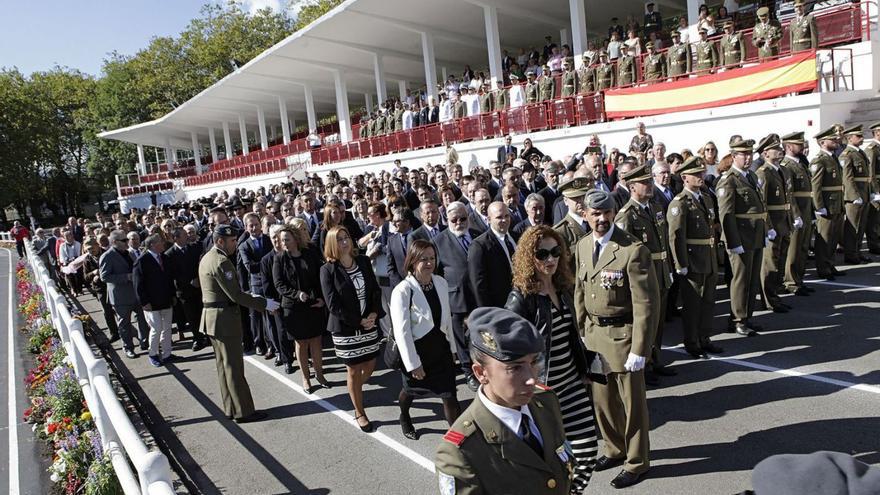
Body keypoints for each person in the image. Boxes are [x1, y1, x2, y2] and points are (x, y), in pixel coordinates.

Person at [434, 307, 575, 495]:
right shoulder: (460, 452)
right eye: (515, 368)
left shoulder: (546, 401)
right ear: (481, 373)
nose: (531, 379)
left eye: (533, 363)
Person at [572, 189, 658, 489]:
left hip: (624, 338)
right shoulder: (582, 246)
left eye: (606, 213)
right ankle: (613, 448)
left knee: (633, 406)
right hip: (595, 338)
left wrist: (640, 348)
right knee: (602, 402)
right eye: (595, 214)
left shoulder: (632, 249)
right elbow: (580, 293)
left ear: (613, 213)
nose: (601, 219)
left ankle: (636, 461)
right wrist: (580, 330)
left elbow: (646, 304)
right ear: (585, 214)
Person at [505, 226, 598, 493]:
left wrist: (584, 368)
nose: (551, 259)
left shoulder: (562, 287)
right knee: (550, 461)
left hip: (571, 385)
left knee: (587, 452)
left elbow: (571, 336)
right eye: (542, 253)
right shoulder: (521, 297)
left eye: (555, 252)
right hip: (542, 393)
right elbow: (509, 348)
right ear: (528, 257)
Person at [199, 224, 279, 423]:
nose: (235, 244)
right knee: (233, 367)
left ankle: (231, 407)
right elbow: (235, 295)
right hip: (224, 320)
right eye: (232, 241)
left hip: (213, 319)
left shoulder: (207, 258)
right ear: (220, 241)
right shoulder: (221, 262)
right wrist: (264, 303)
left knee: (224, 367)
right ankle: (243, 411)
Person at [390, 240, 460, 440]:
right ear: (412, 261)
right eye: (424, 259)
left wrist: (453, 349)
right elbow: (402, 332)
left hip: (441, 349)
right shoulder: (402, 291)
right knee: (409, 391)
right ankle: (404, 416)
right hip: (417, 352)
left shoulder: (440, 282)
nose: (429, 263)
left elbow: (447, 319)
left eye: (432, 258)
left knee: (449, 395)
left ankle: (457, 441)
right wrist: (413, 364)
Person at [614, 164, 675, 384]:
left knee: (658, 322)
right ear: (632, 187)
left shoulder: (656, 208)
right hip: (643, 276)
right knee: (646, 322)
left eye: (650, 181)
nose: (649, 185)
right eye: (644, 182)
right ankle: (645, 364)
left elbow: (664, 241)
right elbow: (625, 255)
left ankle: (656, 359)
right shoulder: (626, 216)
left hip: (660, 271)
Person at [319, 225, 384, 432]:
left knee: (371, 364)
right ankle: (360, 411)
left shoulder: (363, 261)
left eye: (346, 237)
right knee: (354, 370)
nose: (344, 242)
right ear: (331, 244)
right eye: (339, 239)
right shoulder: (327, 270)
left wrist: (373, 313)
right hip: (346, 329)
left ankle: (354, 390)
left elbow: (374, 289)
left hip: (369, 323)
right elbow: (333, 305)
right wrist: (358, 321)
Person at [667, 157, 724, 358]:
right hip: (692, 260)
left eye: (701, 173)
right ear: (684, 177)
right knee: (693, 305)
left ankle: (704, 337)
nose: (701, 176)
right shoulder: (680, 203)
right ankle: (692, 342)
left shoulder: (706, 198)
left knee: (708, 301)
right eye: (696, 174)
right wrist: (680, 263)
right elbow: (675, 236)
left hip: (708, 257)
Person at [717, 138, 767, 336]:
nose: (748, 158)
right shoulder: (728, 180)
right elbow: (726, 215)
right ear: (733, 157)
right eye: (743, 155)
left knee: (753, 279)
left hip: (755, 234)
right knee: (741, 280)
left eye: (750, 154)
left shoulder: (752, 177)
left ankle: (748, 316)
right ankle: (737, 319)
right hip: (741, 237)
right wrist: (733, 241)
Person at [274, 224, 330, 388]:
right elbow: (279, 284)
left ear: (296, 239)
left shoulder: (309, 254)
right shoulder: (279, 258)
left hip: (313, 305)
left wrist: (321, 298)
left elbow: (320, 277)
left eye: (287, 239)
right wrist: (297, 294)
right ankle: (306, 378)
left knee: (316, 341)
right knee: (301, 343)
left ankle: (320, 375)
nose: (284, 243)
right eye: (282, 240)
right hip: (293, 308)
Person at [434, 202, 481, 392]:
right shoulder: (439, 241)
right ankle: (468, 371)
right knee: (460, 339)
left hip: (478, 296)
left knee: (480, 334)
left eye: (463, 218)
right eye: (454, 220)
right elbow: (436, 273)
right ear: (447, 220)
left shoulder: (478, 235)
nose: (460, 223)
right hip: (455, 298)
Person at [755, 134, 796, 313]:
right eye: (775, 149)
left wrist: (793, 216)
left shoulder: (783, 170)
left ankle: (776, 294)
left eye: (780, 148)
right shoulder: (763, 173)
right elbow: (762, 203)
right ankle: (769, 299)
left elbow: (789, 197)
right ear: (765, 153)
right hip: (773, 223)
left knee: (780, 261)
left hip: (784, 222)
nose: (780, 151)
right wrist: (768, 226)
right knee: (770, 263)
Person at [100, 230, 150, 358]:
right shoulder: (107, 256)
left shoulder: (129, 253)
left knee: (143, 319)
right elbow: (104, 277)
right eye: (124, 240)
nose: (127, 242)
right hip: (120, 297)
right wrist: (125, 277)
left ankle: (145, 342)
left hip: (135, 294)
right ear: (115, 242)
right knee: (125, 324)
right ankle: (128, 347)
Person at [133, 234, 177, 367]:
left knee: (167, 328)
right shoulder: (142, 261)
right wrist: (144, 302)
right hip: (151, 303)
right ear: (152, 245)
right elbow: (138, 284)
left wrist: (173, 295)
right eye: (160, 242)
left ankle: (167, 354)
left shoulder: (164, 257)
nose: (163, 243)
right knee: (156, 328)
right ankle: (153, 353)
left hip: (166, 300)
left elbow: (169, 278)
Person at [780, 132, 816, 296]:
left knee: (803, 247)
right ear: (788, 146)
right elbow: (789, 193)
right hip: (797, 211)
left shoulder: (800, 163)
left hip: (806, 209)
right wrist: (795, 214)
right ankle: (791, 281)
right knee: (794, 249)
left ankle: (799, 280)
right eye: (798, 144)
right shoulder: (786, 165)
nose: (802, 146)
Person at [810, 127, 846, 279]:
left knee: (833, 238)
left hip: (836, 203)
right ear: (823, 142)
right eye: (832, 139)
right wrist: (819, 206)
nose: (836, 141)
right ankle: (823, 268)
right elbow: (816, 186)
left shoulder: (833, 157)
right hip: (827, 205)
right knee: (824, 238)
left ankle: (830, 264)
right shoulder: (820, 160)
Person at [165, 226, 208, 351]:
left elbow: (199, 265)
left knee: (202, 312)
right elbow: (173, 274)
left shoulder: (193, 249)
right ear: (176, 238)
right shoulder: (170, 254)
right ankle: (197, 339)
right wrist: (189, 282)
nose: (187, 236)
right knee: (191, 316)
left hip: (198, 288)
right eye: (184, 235)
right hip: (184, 291)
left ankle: (208, 336)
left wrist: (198, 279)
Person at [468, 202, 515, 308]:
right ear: (489, 219)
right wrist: (489, 315)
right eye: (499, 217)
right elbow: (479, 286)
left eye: (507, 216)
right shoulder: (479, 246)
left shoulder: (517, 237)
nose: (504, 220)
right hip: (501, 307)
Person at [839, 125, 872, 264]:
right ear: (849, 138)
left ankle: (857, 251)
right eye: (858, 136)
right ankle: (851, 254)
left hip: (864, 192)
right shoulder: (847, 154)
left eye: (861, 136)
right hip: (855, 195)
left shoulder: (861, 153)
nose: (861, 138)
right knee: (853, 226)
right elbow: (847, 177)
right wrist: (854, 196)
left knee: (861, 225)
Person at [82, 238, 119, 341]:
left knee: (119, 310)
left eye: (92, 248)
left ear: (97, 245)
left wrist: (103, 273)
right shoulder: (87, 260)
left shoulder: (108, 254)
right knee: (107, 312)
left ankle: (125, 331)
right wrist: (93, 273)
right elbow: (85, 277)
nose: (91, 251)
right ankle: (114, 333)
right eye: (88, 249)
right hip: (100, 288)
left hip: (112, 285)